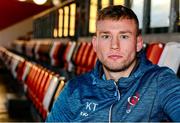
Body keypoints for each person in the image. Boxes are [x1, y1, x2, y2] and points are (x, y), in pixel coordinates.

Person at [46, 5, 180, 122]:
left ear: (138, 43)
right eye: (106, 36)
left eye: (124, 36)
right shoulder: (74, 90)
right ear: (95, 44)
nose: (114, 45)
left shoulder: (160, 81)